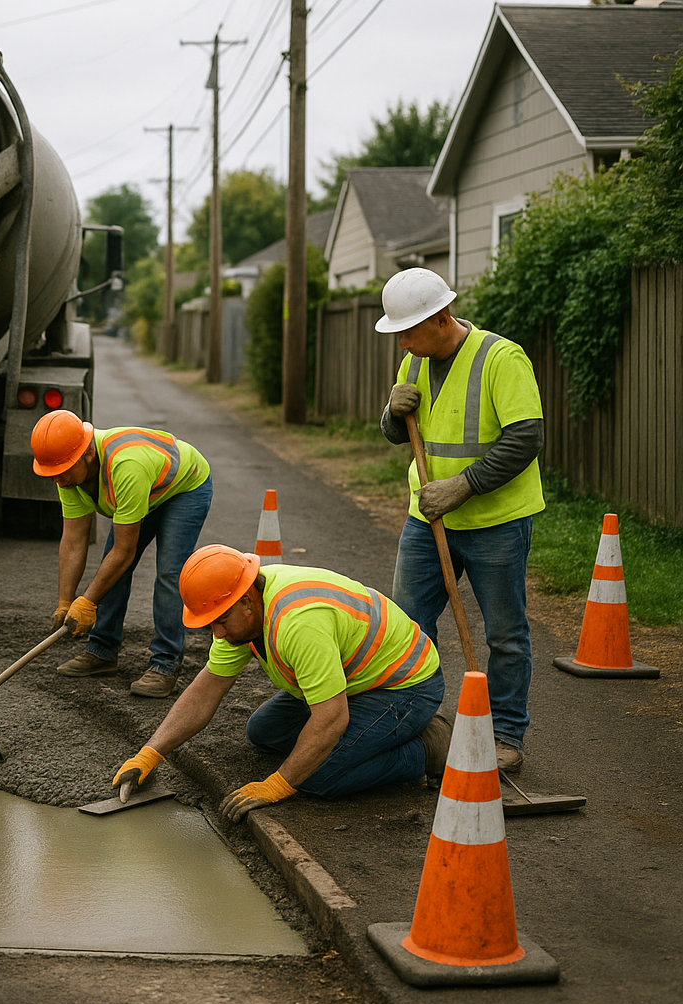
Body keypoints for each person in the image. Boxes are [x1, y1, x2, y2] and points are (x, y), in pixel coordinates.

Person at [113, 545, 451, 822]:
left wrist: (278, 784)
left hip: (404, 684)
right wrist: (149, 754)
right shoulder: (240, 612)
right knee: (264, 732)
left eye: (220, 622)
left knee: (319, 777)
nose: (216, 634)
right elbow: (206, 691)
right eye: (209, 625)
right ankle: (382, 735)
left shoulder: (298, 623)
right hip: (351, 681)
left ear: (246, 601)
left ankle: (427, 748)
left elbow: (331, 718)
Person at [375, 267, 544, 773]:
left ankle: (506, 734)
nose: (402, 341)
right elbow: (398, 433)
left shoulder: (501, 358)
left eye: (408, 330)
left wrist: (462, 486)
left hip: (496, 522)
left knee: (505, 635)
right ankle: (415, 721)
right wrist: (390, 412)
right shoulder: (414, 362)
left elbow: (525, 438)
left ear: (442, 317)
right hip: (427, 522)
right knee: (407, 626)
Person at [30, 409, 213, 698]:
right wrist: (66, 601)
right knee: (111, 568)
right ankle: (101, 650)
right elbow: (74, 541)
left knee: (168, 574)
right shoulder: (66, 474)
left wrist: (87, 602)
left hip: (184, 488)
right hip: (143, 490)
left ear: (88, 453)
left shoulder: (126, 465)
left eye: (62, 471)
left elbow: (124, 551)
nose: (58, 480)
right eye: (52, 473)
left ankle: (165, 664)